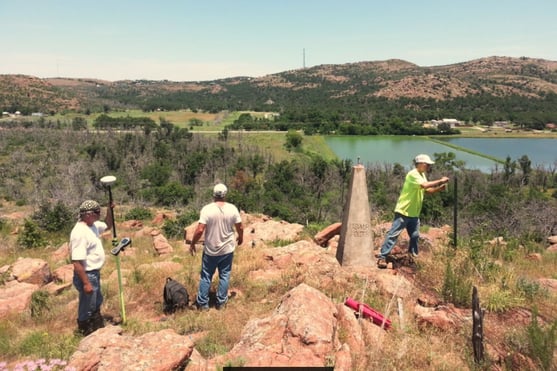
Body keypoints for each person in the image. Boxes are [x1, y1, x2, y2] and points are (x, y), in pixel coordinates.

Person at [377, 154, 449, 269]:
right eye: (427, 164)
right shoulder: (413, 174)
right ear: (420, 164)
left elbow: (428, 190)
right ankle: (382, 256)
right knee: (393, 235)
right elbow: (425, 185)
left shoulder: (422, 175)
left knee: (415, 236)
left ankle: (411, 257)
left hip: (414, 213)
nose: (428, 166)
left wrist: (438, 189)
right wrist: (440, 180)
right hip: (404, 211)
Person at [190, 183, 244, 310]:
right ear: (225, 195)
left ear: (214, 194)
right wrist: (241, 237)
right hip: (227, 249)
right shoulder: (232, 209)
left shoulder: (207, 209)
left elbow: (199, 230)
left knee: (206, 276)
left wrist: (192, 244)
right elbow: (240, 226)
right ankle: (221, 302)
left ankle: (203, 304)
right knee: (224, 275)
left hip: (211, 250)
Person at [70, 199, 113, 335]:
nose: (99, 215)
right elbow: (76, 262)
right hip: (87, 275)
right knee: (87, 305)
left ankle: (96, 328)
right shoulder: (79, 233)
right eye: (97, 212)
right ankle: (85, 330)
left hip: (94, 273)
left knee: (95, 302)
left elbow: (107, 225)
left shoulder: (92, 225)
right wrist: (86, 283)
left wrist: (110, 210)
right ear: (88, 214)